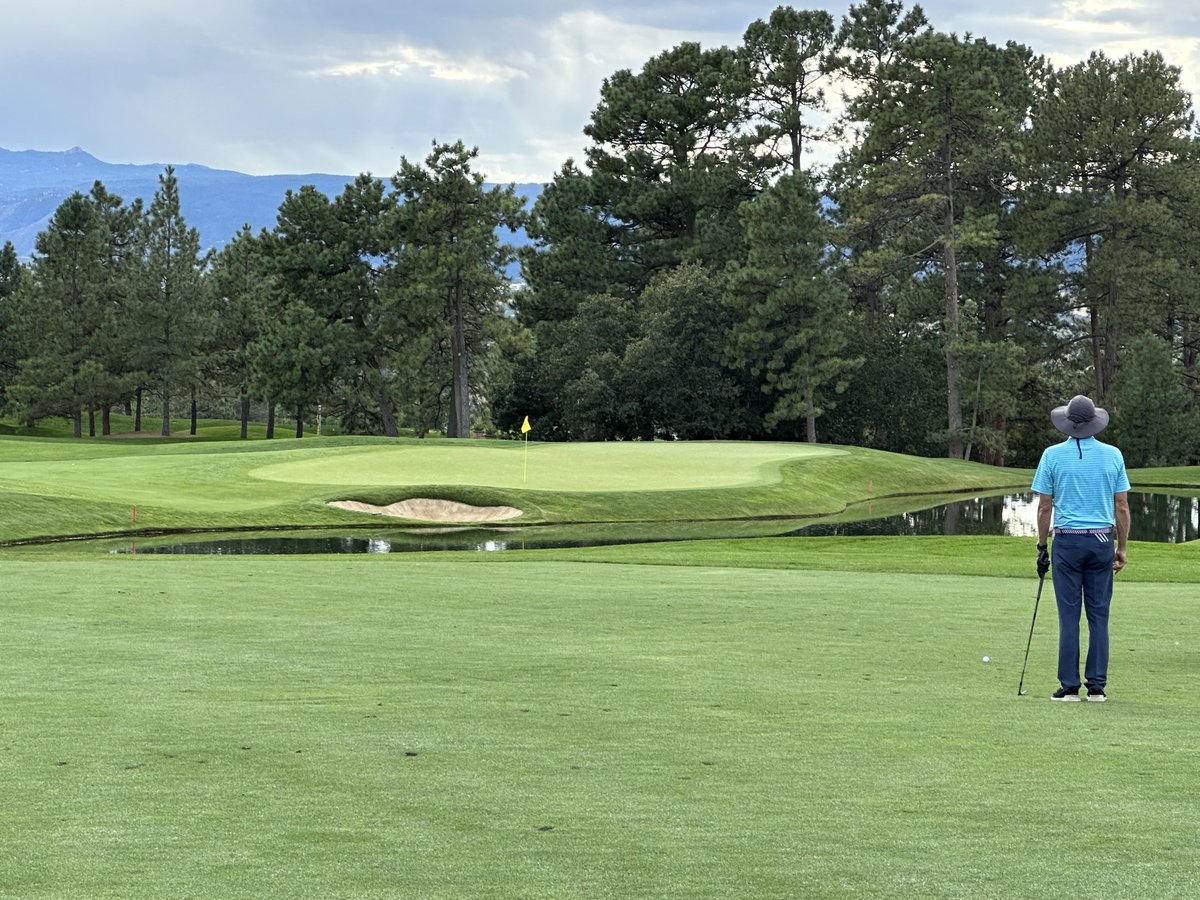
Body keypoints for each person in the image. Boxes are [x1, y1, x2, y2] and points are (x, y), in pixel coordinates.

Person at [1031, 395, 1130, 702]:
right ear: (1094, 423)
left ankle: (1070, 687)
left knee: (1069, 617)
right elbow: (1122, 506)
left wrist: (1042, 545)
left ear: (1068, 423)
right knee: (1099, 616)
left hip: (1067, 542)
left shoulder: (1051, 455)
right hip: (1101, 540)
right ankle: (1097, 688)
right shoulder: (1113, 455)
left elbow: (1045, 507)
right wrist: (1122, 547)